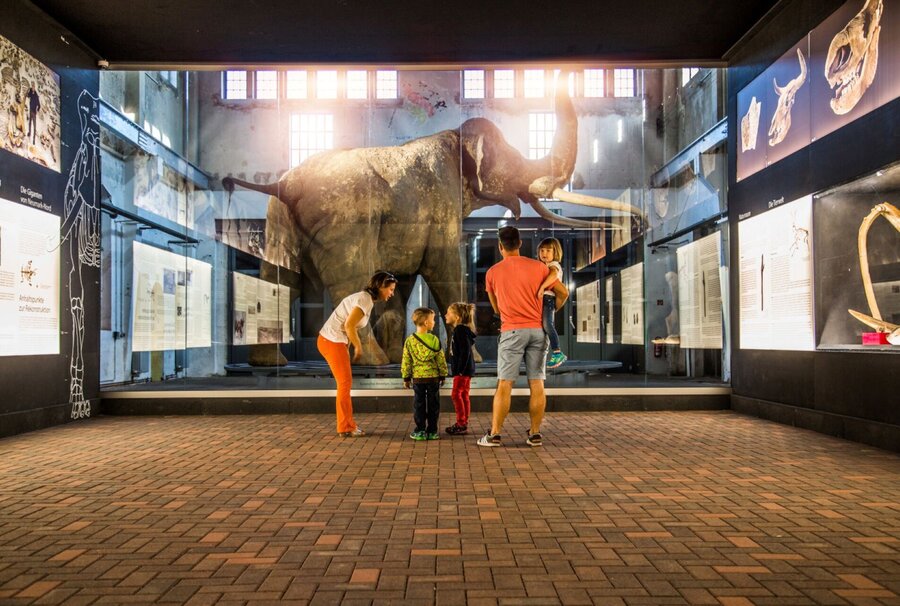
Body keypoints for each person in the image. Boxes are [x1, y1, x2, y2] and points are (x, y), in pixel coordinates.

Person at [478, 226, 568, 448]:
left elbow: (496, 309)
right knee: (537, 382)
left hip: (512, 331)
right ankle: (535, 433)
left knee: (504, 384)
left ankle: (495, 434)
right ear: (520, 244)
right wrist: (550, 312)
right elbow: (563, 292)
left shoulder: (492, 272)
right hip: (539, 331)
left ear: (500, 247)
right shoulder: (539, 267)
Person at [317, 271, 397, 437]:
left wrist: (348, 346)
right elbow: (349, 325)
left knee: (344, 384)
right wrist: (358, 347)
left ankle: (346, 425)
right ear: (381, 286)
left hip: (333, 341)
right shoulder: (364, 300)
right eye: (390, 289)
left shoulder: (366, 299)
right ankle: (346, 427)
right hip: (332, 341)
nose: (392, 293)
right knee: (345, 384)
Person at [401, 307, 448, 441]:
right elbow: (441, 359)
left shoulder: (410, 341)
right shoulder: (434, 340)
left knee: (419, 404)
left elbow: (406, 360)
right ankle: (432, 431)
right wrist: (443, 374)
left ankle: (420, 430)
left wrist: (406, 377)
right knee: (434, 405)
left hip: (418, 379)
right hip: (433, 378)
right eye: (433, 320)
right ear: (426, 323)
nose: (434, 322)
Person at [444, 302, 476, 435]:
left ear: (457, 317)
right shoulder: (462, 331)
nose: (446, 315)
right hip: (465, 370)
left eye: (448, 313)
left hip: (462, 371)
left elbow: (465, 351)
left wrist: (460, 370)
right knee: (463, 395)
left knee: (456, 395)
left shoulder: (460, 331)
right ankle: (463, 422)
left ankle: (461, 423)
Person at [536, 237, 567, 368]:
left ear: (555, 252)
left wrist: (542, 287)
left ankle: (557, 352)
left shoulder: (554, 265)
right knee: (544, 326)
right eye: (542, 250)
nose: (544, 253)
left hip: (548, 299)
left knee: (548, 325)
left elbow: (553, 276)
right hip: (544, 300)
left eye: (548, 250)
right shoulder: (543, 266)